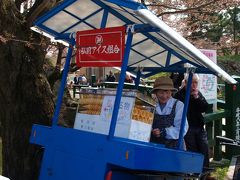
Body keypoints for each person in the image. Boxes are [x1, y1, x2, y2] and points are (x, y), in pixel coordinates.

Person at [174, 74, 209, 168]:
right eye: (191, 82)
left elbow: (205, 108)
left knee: (204, 149)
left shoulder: (197, 93)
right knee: (192, 151)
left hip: (199, 126)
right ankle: (194, 171)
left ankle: (205, 172)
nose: (193, 85)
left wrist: (197, 97)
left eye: (196, 82)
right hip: (187, 127)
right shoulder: (179, 94)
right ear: (185, 83)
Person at [150, 76, 188, 149]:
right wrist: (151, 130)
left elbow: (182, 129)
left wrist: (163, 132)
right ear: (156, 92)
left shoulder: (179, 105)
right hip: (154, 145)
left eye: (167, 92)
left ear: (171, 92)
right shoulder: (151, 104)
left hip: (174, 146)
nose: (164, 96)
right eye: (161, 92)